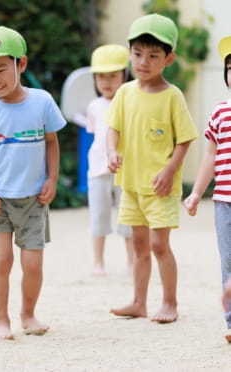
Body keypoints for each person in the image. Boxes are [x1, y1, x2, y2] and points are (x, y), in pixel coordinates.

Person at [0, 26, 66, 340]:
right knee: (2, 260)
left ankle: (28, 314)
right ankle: (0, 320)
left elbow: (51, 142)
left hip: (34, 198)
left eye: (1, 69)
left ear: (21, 65)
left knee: (32, 263)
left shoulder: (42, 102)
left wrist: (52, 177)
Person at [106, 14, 198, 323]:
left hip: (160, 188)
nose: (143, 62)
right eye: (137, 54)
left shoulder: (173, 96)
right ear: (130, 52)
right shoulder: (124, 93)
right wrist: (111, 153)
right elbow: (113, 129)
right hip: (131, 184)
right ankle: (138, 302)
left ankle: (170, 302)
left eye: (153, 55)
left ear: (168, 58)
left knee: (160, 246)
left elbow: (185, 140)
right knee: (139, 247)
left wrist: (171, 170)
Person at [184, 35, 231, 341]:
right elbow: (210, 157)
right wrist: (196, 192)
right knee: (228, 261)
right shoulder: (220, 112)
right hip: (224, 202)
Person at [85, 44, 134, 276]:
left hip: (127, 170)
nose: (106, 82)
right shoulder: (93, 106)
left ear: (124, 75)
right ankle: (97, 262)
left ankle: (132, 261)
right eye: (101, 77)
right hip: (98, 170)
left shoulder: (131, 102)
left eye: (112, 76)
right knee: (99, 216)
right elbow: (94, 134)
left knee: (129, 217)